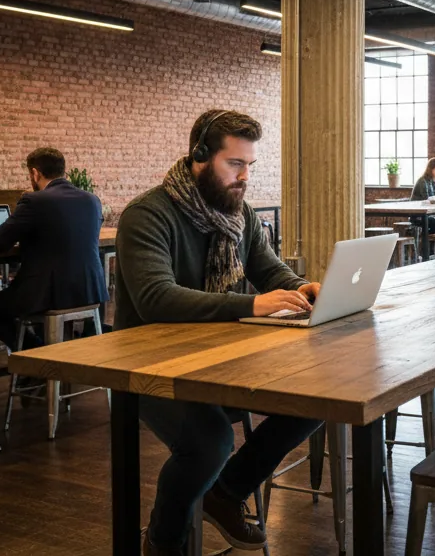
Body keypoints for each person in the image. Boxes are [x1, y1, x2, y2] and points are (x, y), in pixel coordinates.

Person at [114, 109, 324, 556]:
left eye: (250, 166)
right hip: (146, 365)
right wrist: (251, 304)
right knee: (210, 441)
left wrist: (300, 289)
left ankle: (225, 493)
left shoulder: (238, 213)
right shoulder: (147, 216)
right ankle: (162, 542)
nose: (244, 176)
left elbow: (270, 271)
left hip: (218, 355)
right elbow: (157, 298)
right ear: (199, 157)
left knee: (315, 399)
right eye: (235, 164)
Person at [0, 147, 108, 352]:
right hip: (90, 291)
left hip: (48, 293)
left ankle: (37, 355)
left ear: (35, 173)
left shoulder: (34, 201)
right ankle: (46, 357)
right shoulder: (92, 200)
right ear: (62, 171)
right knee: (27, 299)